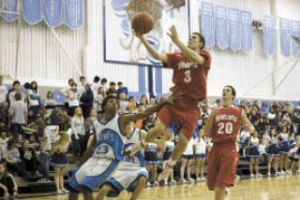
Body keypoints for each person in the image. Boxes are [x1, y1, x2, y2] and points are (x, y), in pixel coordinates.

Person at [135, 25, 211, 184]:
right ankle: (141, 144)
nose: (191, 39)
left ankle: (169, 166)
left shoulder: (205, 55)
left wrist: (177, 41)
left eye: (194, 38)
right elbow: (157, 56)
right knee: (158, 129)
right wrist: (142, 39)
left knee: (183, 141)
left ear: (201, 45)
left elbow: (197, 59)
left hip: (192, 105)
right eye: (190, 37)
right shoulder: (178, 57)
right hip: (175, 100)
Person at [68, 94, 179, 200]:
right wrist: (79, 164)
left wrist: (162, 103)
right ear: (104, 106)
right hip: (94, 160)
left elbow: (143, 114)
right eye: (111, 101)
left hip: (109, 161)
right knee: (72, 187)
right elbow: (91, 148)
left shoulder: (121, 119)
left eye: (116, 102)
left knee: (86, 187)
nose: (115, 104)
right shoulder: (96, 124)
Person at [204, 86, 255, 200]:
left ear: (232, 96)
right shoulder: (215, 111)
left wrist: (249, 128)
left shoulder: (238, 111)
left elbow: (250, 127)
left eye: (227, 90)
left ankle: (227, 184)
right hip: (216, 148)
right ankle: (229, 183)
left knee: (221, 183)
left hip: (229, 148)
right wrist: (211, 118)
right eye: (223, 90)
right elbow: (206, 133)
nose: (224, 92)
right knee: (213, 183)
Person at [96, 122, 148, 200]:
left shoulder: (140, 133)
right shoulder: (116, 136)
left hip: (137, 167)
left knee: (143, 176)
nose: (127, 125)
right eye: (125, 124)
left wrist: (148, 144)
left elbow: (151, 140)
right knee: (104, 189)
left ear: (133, 124)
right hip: (120, 168)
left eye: (129, 123)